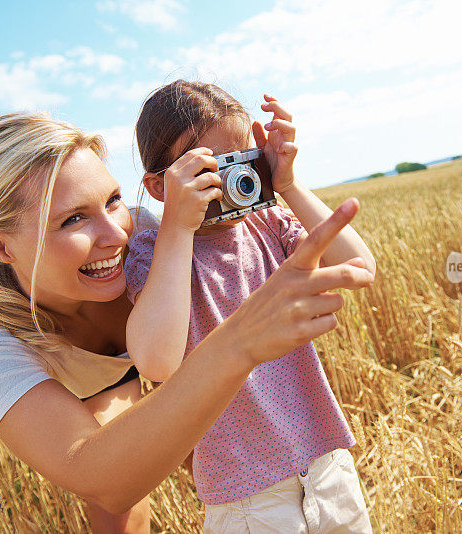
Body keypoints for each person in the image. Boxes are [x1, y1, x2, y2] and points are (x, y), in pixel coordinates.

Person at [0, 111, 374, 533]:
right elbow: (104, 479)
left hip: (167, 351)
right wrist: (240, 340)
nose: (116, 235)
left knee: (191, 442)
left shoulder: (159, 234)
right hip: (79, 372)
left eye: (113, 200)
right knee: (120, 504)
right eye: (73, 219)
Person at [124, 80, 376, 532]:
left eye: (244, 164)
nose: (235, 182)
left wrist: (289, 185)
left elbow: (359, 265)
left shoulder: (269, 223)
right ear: (159, 187)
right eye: (210, 172)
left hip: (326, 465)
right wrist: (179, 228)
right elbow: (158, 362)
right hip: (245, 497)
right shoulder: (154, 252)